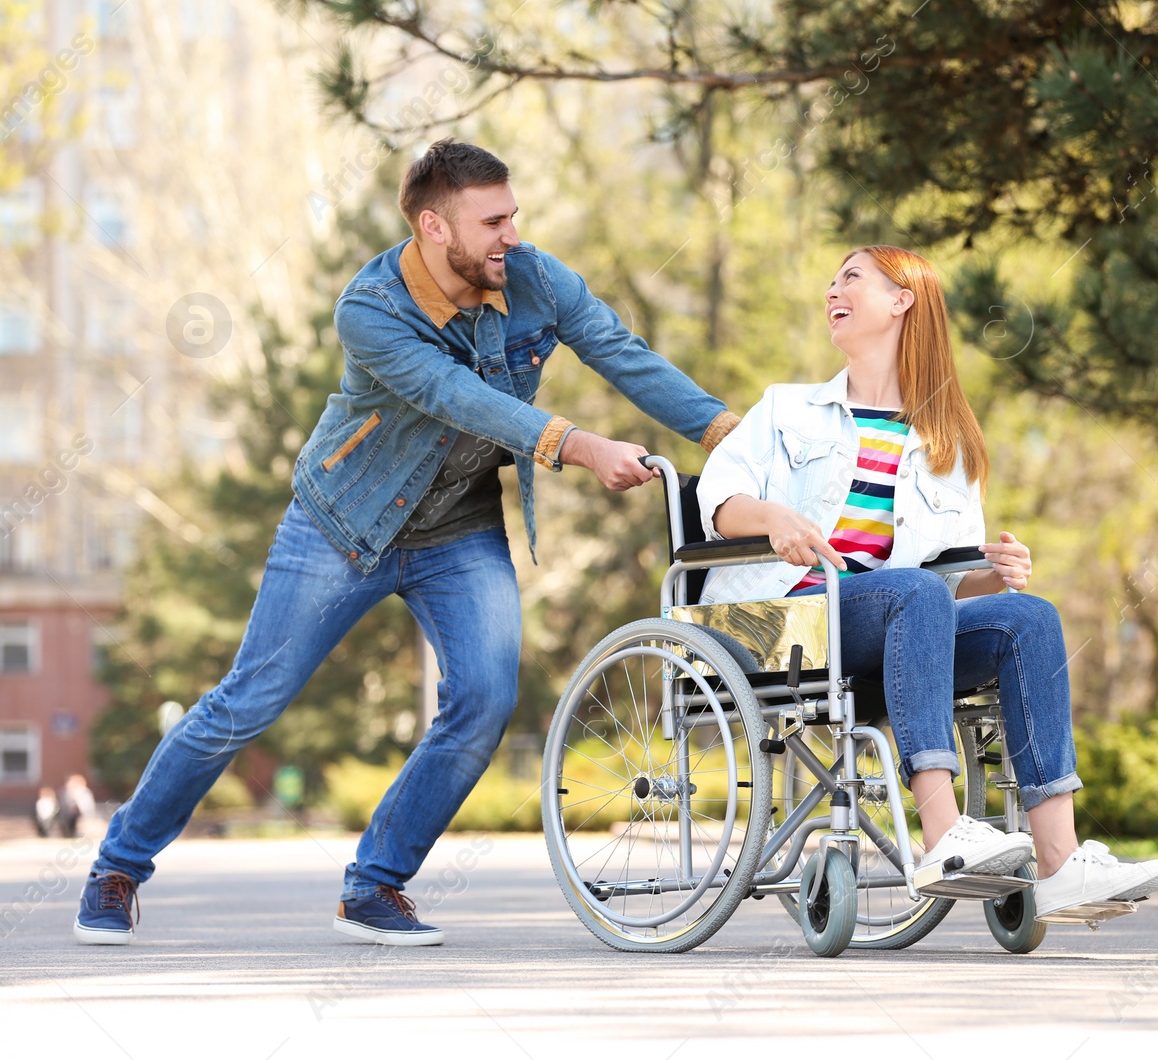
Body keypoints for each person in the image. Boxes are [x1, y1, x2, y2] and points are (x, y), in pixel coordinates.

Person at [74, 139, 741, 947]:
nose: (512, 235)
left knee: (484, 700)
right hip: (343, 524)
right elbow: (456, 396)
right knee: (247, 700)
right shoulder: (371, 308)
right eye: (492, 220)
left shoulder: (536, 278)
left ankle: (375, 885)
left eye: (514, 214)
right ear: (433, 225)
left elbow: (623, 354)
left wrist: (732, 435)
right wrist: (577, 445)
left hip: (458, 529)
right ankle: (118, 866)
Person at [696, 245, 1158, 918]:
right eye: (831, 281)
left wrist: (988, 573)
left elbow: (948, 587)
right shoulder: (786, 411)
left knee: (1026, 615)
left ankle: (1061, 862)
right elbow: (718, 501)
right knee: (913, 590)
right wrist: (772, 516)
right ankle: (943, 832)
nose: (833, 290)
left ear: (903, 300)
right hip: (782, 621)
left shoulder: (949, 442)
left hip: (889, 627)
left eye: (851, 278)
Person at [59, 775, 97, 839]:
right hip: (70, 815)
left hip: (82, 814)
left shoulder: (84, 792)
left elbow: (86, 805)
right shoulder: (67, 792)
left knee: (81, 828)